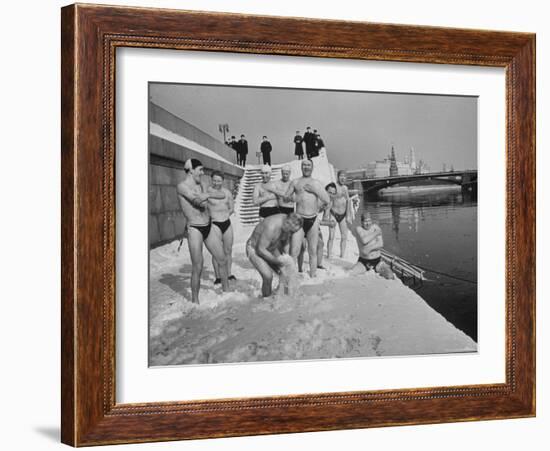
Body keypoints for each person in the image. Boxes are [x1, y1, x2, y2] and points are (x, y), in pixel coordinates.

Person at [176, 159, 229, 304]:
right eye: (200, 169)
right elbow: (197, 202)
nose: (203, 173)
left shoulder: (202, 184)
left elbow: (221, 195)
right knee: (198, 265)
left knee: (222, 259)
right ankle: (195, 301)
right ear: (191, 170)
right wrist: (206, 196)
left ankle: (227, 292)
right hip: (195, 229)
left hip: (208, 226)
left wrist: (206, 195)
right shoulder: (182, 186)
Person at [283, 159, 330, 277]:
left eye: (308, 165)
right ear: (301, 167)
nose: (306, 167)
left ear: (312, 167)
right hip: (299, 220)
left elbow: (327, 200)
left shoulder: (316, 183)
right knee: (294, 251)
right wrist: (293, 198)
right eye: (304, 165)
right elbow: (285, 197)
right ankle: (291, 277)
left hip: (313, 220)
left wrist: (314, 191)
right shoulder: (295, 182)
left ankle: (313, 275)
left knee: (312, 250)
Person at [246, 213, 303, 297]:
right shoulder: (271, 226)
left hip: (271, 248)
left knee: (286, 272)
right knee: (268, 276)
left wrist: (287, 260)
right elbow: (261, 249)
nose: (291, 234)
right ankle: (265, 300)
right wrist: (276, 261)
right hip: (254, 249)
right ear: (288, 224)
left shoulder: (287, 222)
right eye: (291, 231)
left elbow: (286, 242)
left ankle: (280, 296)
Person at [207, 171, 236, 284]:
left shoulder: (227, 192)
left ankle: (228, 274)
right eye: (214, 180)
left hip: (226, 223)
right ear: (211, 180)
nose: (216, 183)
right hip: (214, 224)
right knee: (217, 251)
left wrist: (225, 214)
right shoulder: (208, 192)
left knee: (228, 250)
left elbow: (232, 208)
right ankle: (218, 276)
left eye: (219, 180)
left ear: (222, 181)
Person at [347, 212, 394, 279]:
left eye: (369, 221)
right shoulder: (359, 229)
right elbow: (364, 240)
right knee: (350, 273)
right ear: (362, 222)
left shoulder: (375, 227)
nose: (368, 223)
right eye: (366, 221)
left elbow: (381, 244)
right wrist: (377, 233)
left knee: (390, 276)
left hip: (377, 261)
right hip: (364, 261)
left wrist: (368, 249)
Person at [327, 170, 352, 258]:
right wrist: (326, 213)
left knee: (344, 236)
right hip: (333, 213)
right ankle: (329, 255)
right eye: (341, 176)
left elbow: (348, 200)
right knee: (331, 236)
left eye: (344, 176)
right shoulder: (333, 186)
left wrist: (349, 215)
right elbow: (328, 199)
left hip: (343, 214)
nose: (343, 178)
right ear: (337, 177)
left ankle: (342, 255)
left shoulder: (345, 188)